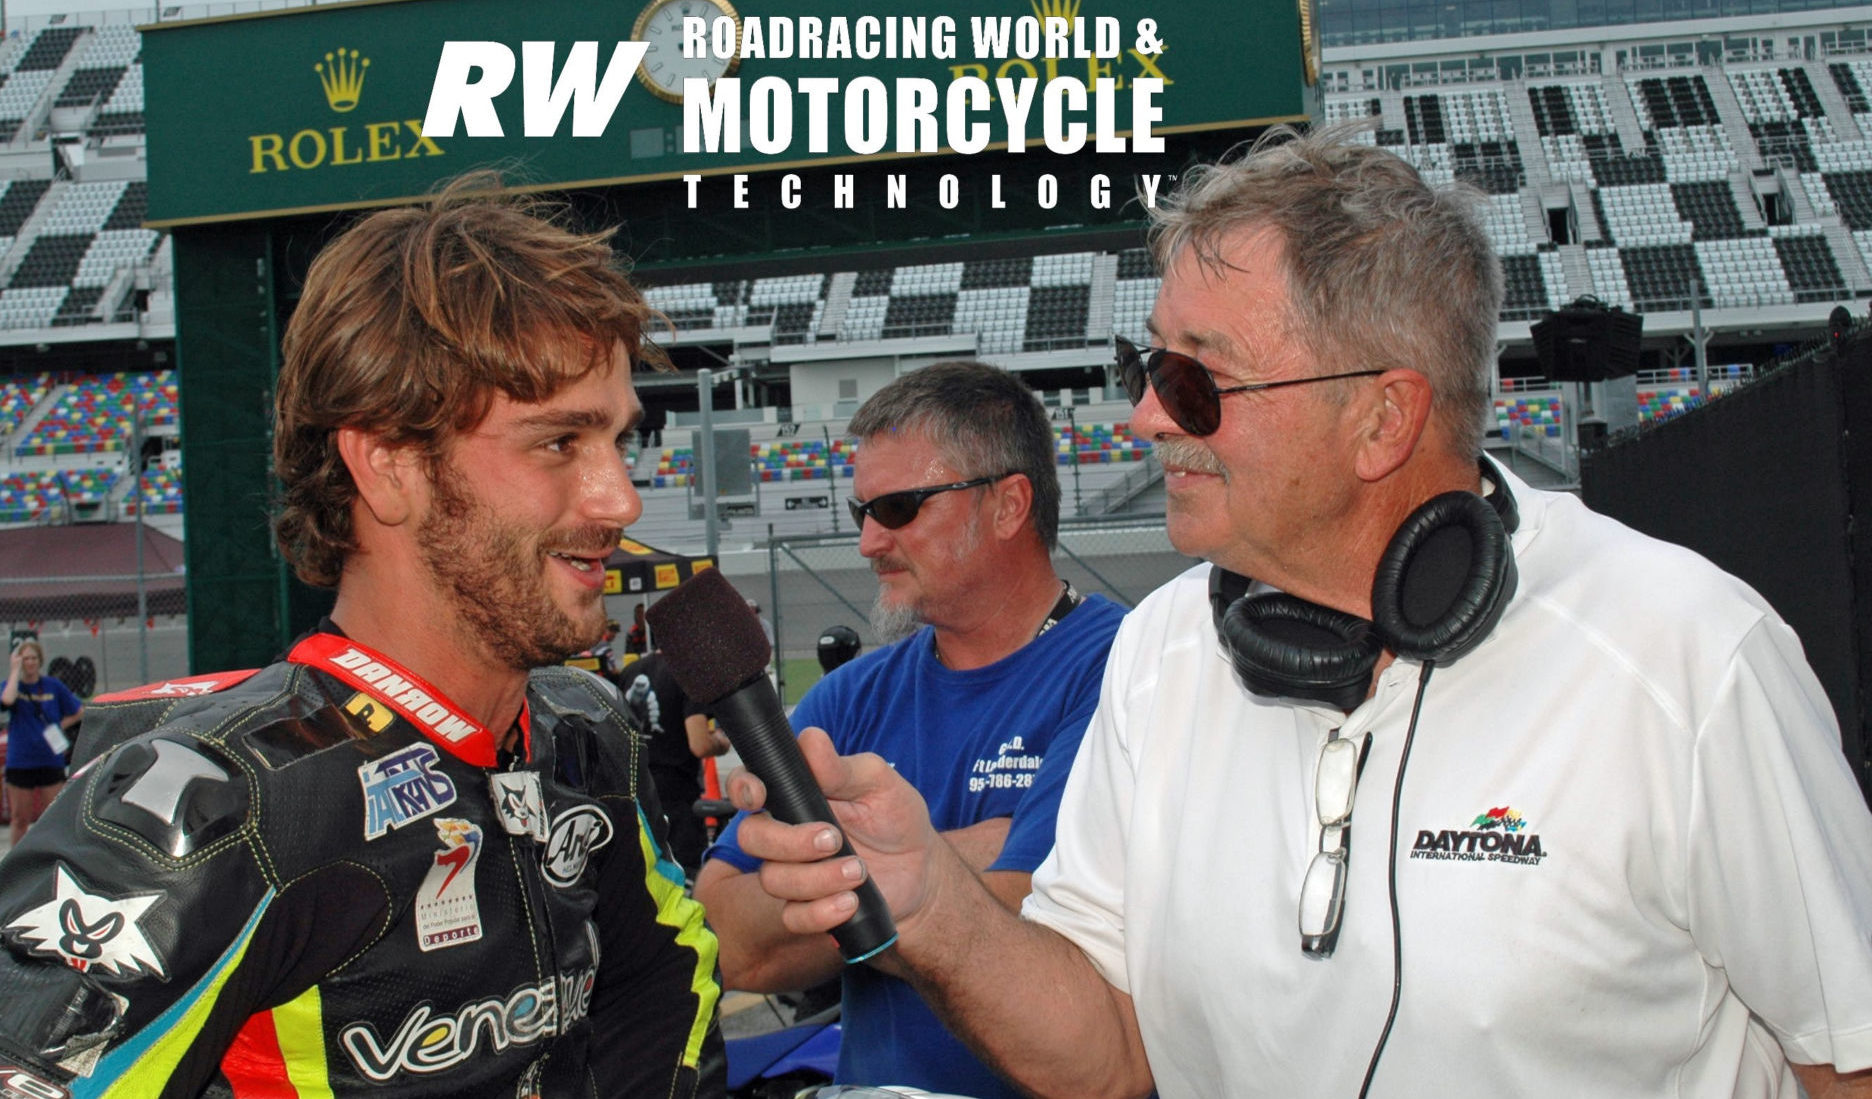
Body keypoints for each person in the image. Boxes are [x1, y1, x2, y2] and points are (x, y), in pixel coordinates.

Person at [726, 127, 1872, 1099]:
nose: (1142, 419)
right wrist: (937, 911)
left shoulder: (1688, 659)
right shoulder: (1162, 654)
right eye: (1147, 362)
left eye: (1194, 377)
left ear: (1381, 420)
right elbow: (1115, 1047)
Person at [0, 177, 725, 1099]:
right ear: (389, 465)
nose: (621, 499)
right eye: (559, 443)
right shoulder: (209, 812)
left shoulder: (583, 729)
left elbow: (670, 988)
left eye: (618, 441)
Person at [697, 360, 1128, 1098]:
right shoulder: (847, 699)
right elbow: (729, 943)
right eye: (861, 509)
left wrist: (829, 878)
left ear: (1008, 504)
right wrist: (973, 848)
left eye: (897, 508)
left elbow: (1040, 907)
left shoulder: (1124, 667)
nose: (868, 541)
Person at [618, 647, 729, 876]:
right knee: (683, 873)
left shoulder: (631, 671)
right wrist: (720, 742)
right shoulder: (687, 673)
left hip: (633, 788)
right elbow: (699, 744)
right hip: (676, 794)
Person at [0, 638, 80, 844]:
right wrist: (15, 670)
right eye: (25, 659)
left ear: (39, 660)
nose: (30, 663)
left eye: (33, 658)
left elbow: (78, 710)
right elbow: (7, 701)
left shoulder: (53, 686)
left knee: (54, 816)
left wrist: (60, 725)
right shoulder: (11, 685)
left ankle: (54, 858)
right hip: (21, 761)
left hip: (49, 759)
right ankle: (15, 865)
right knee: (20, 818)